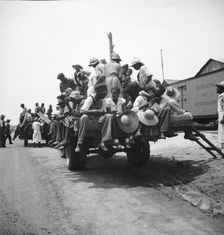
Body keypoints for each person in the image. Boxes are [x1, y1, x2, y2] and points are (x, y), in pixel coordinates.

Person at [75, 81, 111, 152]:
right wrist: (96, 111)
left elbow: (103, 112)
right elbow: (82, 111)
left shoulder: (103, 100)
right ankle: (79, 143)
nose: (104, 96)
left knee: (108, 116)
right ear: (99, 93)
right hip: (88, 122)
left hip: (97, 121)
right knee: (84, 117)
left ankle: (102, 141)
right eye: (103, 94)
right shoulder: (90, 99)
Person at [215, 81, 224, 150]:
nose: (216, 89)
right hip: (221, 117)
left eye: (218, 88)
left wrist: (223, 117)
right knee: (221, 133)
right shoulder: (221, 96)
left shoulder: (223, 96)